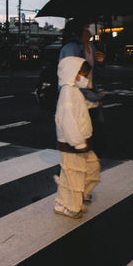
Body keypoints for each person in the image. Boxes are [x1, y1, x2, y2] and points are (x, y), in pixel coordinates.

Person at [54, 56, 102, 219]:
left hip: (80, 142)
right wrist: (78, 142)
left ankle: (73, 199)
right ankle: (67, 206)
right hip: (72, 143)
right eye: (83, 75)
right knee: (72, 176)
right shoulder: (67, 92)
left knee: (91, 169)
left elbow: (79, 108)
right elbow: (67, 119)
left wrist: (94, 102)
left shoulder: (74, 91)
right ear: (72, 73)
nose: (86, 78)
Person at [58, 18, 106, 151]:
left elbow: (96, 74)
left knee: (94, 133)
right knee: (80, 132)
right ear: (81, 29)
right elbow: (72, 78)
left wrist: (101, 62)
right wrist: (95, 96)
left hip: (90, 95)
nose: (91, 28)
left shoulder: (91, 47)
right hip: (78, 97)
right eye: (88, 25)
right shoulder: (71, 48)